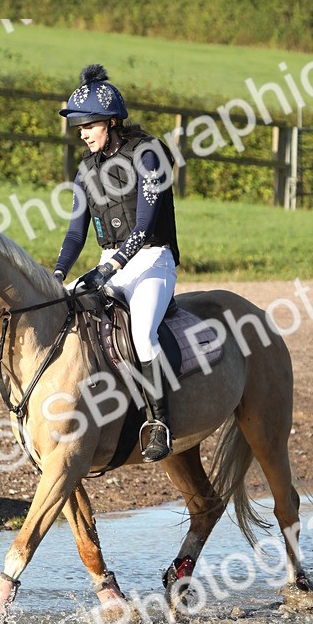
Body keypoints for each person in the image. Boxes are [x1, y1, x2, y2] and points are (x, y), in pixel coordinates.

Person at [54, 64, 180, 463]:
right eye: (79, 129)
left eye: (88, 125)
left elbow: (144, 227)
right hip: (111, 261)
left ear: (111, 122)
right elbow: (76, 235)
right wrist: (58, 274)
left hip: (152, 262)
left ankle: (159, 422)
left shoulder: (149, 155)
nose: (83, 134)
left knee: (142, 335)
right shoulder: (85, 171)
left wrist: (109, 269)